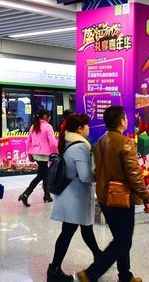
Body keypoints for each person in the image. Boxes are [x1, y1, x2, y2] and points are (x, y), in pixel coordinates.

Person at [76, 106, 149, 282]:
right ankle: (90, 274)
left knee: (120, 239)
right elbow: (134, 175)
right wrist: (146, 198)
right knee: (123, 242)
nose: (127, 120)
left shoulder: (101, 141)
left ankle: (125, 276)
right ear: (121, 121)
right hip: (121, 197)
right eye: (125, 117)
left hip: (104, 197)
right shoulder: (125, 143)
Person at [48, 114, 101, 282]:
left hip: (71, 196)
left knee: (82, 229)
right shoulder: (80, 147)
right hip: (75, 198)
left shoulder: (69, 143)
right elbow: (85, 176)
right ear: (79, 129)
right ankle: (54, 269)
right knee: (70, 232)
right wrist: (101, 176)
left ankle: (99, 258)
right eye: (86, 125)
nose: (88, 128)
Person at [18, 109, 58, 207]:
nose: (49, 118)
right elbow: (53, 143)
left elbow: (28, 141)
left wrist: (29, 154)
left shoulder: (33, 126)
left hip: (36, 154)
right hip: (44, 155)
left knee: (44, 174)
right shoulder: (48, 127)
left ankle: (47, 196)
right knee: (41, 175)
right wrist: (56, 153)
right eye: (49, 116)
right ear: (45, 116)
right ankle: (26, 194)